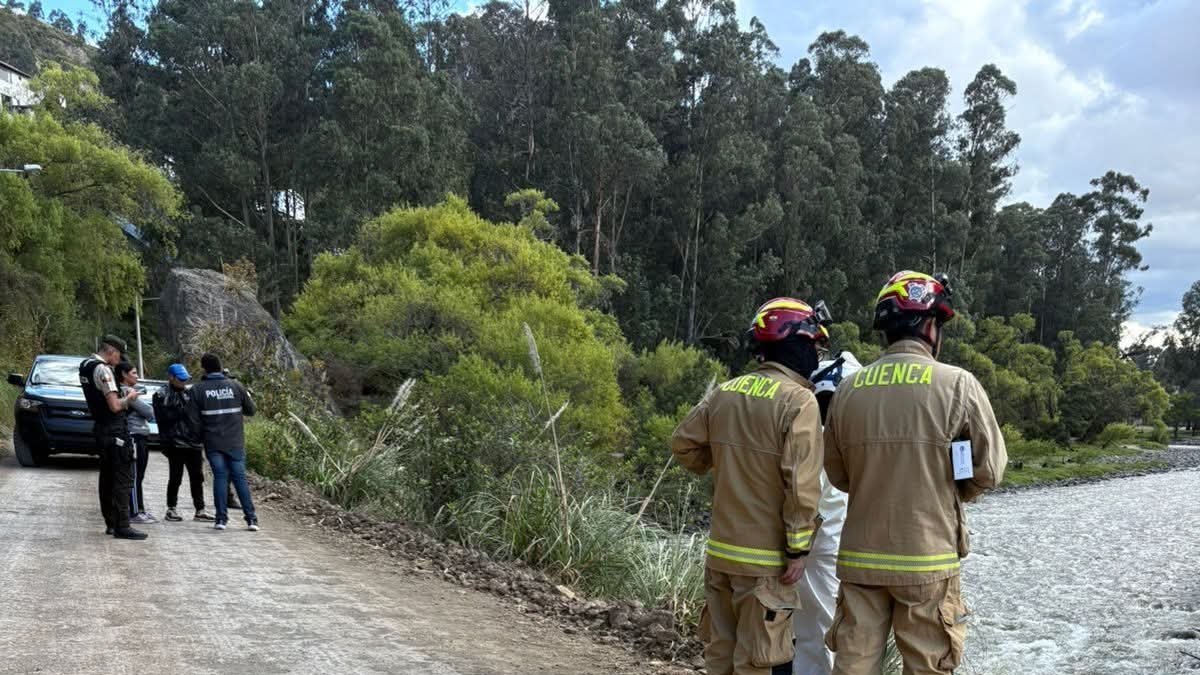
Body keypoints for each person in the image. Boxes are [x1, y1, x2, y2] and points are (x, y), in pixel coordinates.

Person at [823, 272, 1007, 675]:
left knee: (853, 666)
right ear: (929, 326)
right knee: (927, 667)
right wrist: (954, 489)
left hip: (860, 557)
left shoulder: (848, 389)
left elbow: (837, 474)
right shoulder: (958, 384)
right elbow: (989, 469)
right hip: (928, 557)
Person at [672, 297, 827, 675]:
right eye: (813, 345)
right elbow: (801, 485)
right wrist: (798, 549)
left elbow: (683, 444)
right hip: (766, 564)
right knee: (758, 662)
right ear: (796, 345)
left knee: (720, 656)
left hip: (721, 554)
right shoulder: (800, 401)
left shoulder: (725, 391)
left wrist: (726, 463)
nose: (816, 356)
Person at [792, 352, 862, 675]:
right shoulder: (837, 438)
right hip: (824, 550)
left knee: (808, 631)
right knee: (820, 634)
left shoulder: (807, 433)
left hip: (813, 548)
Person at [78, 335, 147, 540]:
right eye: (119, 355)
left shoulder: (85, 365)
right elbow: (115, 406)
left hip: (101, 428)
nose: (119, 360)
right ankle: (122, 525)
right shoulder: (104, 370)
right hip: (114, 429)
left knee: (107, 476)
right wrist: (130, 398)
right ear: (111, 351)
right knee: (123, 477)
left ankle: (111, 522)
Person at [191, 353, 258, 531]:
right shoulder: (236, 386)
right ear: (220, 367)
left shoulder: (198, 390)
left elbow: (193, 421)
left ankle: (221, 520)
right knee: (239, 478)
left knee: (220, 477)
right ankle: (251, 520)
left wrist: (199, 439)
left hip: (213, 442)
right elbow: (251, 410)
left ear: (204, 369)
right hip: (235, 442)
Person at [152, 363, 215, 522]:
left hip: (193, 441)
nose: (184, 382)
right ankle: (171, 508)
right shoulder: (161, 395)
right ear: (171, 377)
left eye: (185, 379)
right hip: (174, 442)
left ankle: (200, 509)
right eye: (181, 379)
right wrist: (184, 409)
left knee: (197, 477)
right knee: (176, 476)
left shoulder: (190, 393)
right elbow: (164, 418)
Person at [115, 361, 157, 524]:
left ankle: (140, 509)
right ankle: (133, 513)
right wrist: (136, 397)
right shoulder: (126, 392)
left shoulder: (131, 391)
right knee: (134, 476)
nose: (137, 376)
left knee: (139, 476)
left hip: (141, 437)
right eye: (134, 373)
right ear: (124, 375)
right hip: (134, 437)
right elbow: (149, 411)